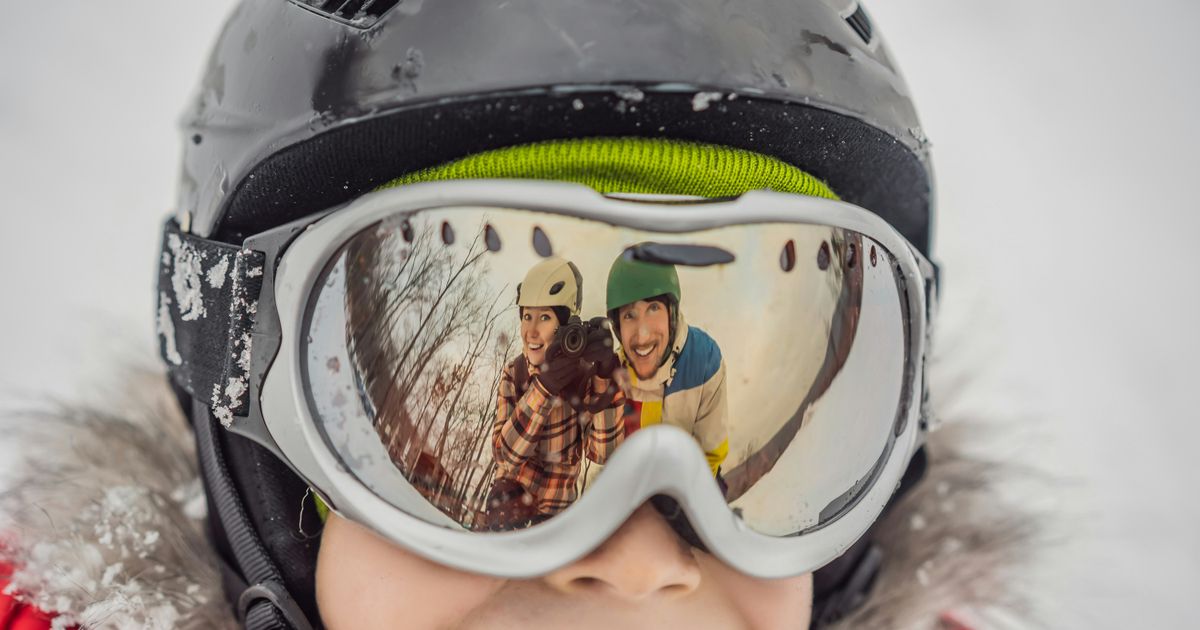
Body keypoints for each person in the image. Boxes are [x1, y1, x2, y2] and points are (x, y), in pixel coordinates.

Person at [0, 1, 1036, 629]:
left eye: (792, 472)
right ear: (261, 480)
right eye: (432, 479)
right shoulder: (535, 394)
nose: (635, 566)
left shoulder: (694, 379)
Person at [487, 257, 624, 528]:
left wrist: (605, 377)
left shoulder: (584, 377)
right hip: (508, 509)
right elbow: (505, 456)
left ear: (566, 325)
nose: (531, 332)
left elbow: (605, 454)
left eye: (545, 317)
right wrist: (543, 388)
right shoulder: (514, 374)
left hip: (555, 519)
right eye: (527, 316)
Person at [605, 251, 730, 477]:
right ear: (617, 327)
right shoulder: (614, 374)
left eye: (653, 308)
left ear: (671, 314)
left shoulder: (704, 360)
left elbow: (711, 451)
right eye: (629, 315)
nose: (642, 335)